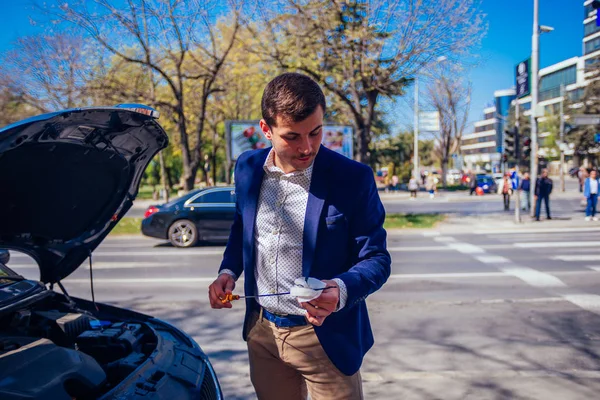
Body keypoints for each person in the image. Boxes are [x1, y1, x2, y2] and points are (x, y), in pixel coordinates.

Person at [208, 73, 391, 400]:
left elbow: (377, 259)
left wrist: (341, 289)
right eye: (292, 136)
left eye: (316, 132)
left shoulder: (352, 178)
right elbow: (243, 226)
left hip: (324, 337)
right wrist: (227, 272)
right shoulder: (247, 167)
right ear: (266, 130)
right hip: (263, 333)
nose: (307, 147)